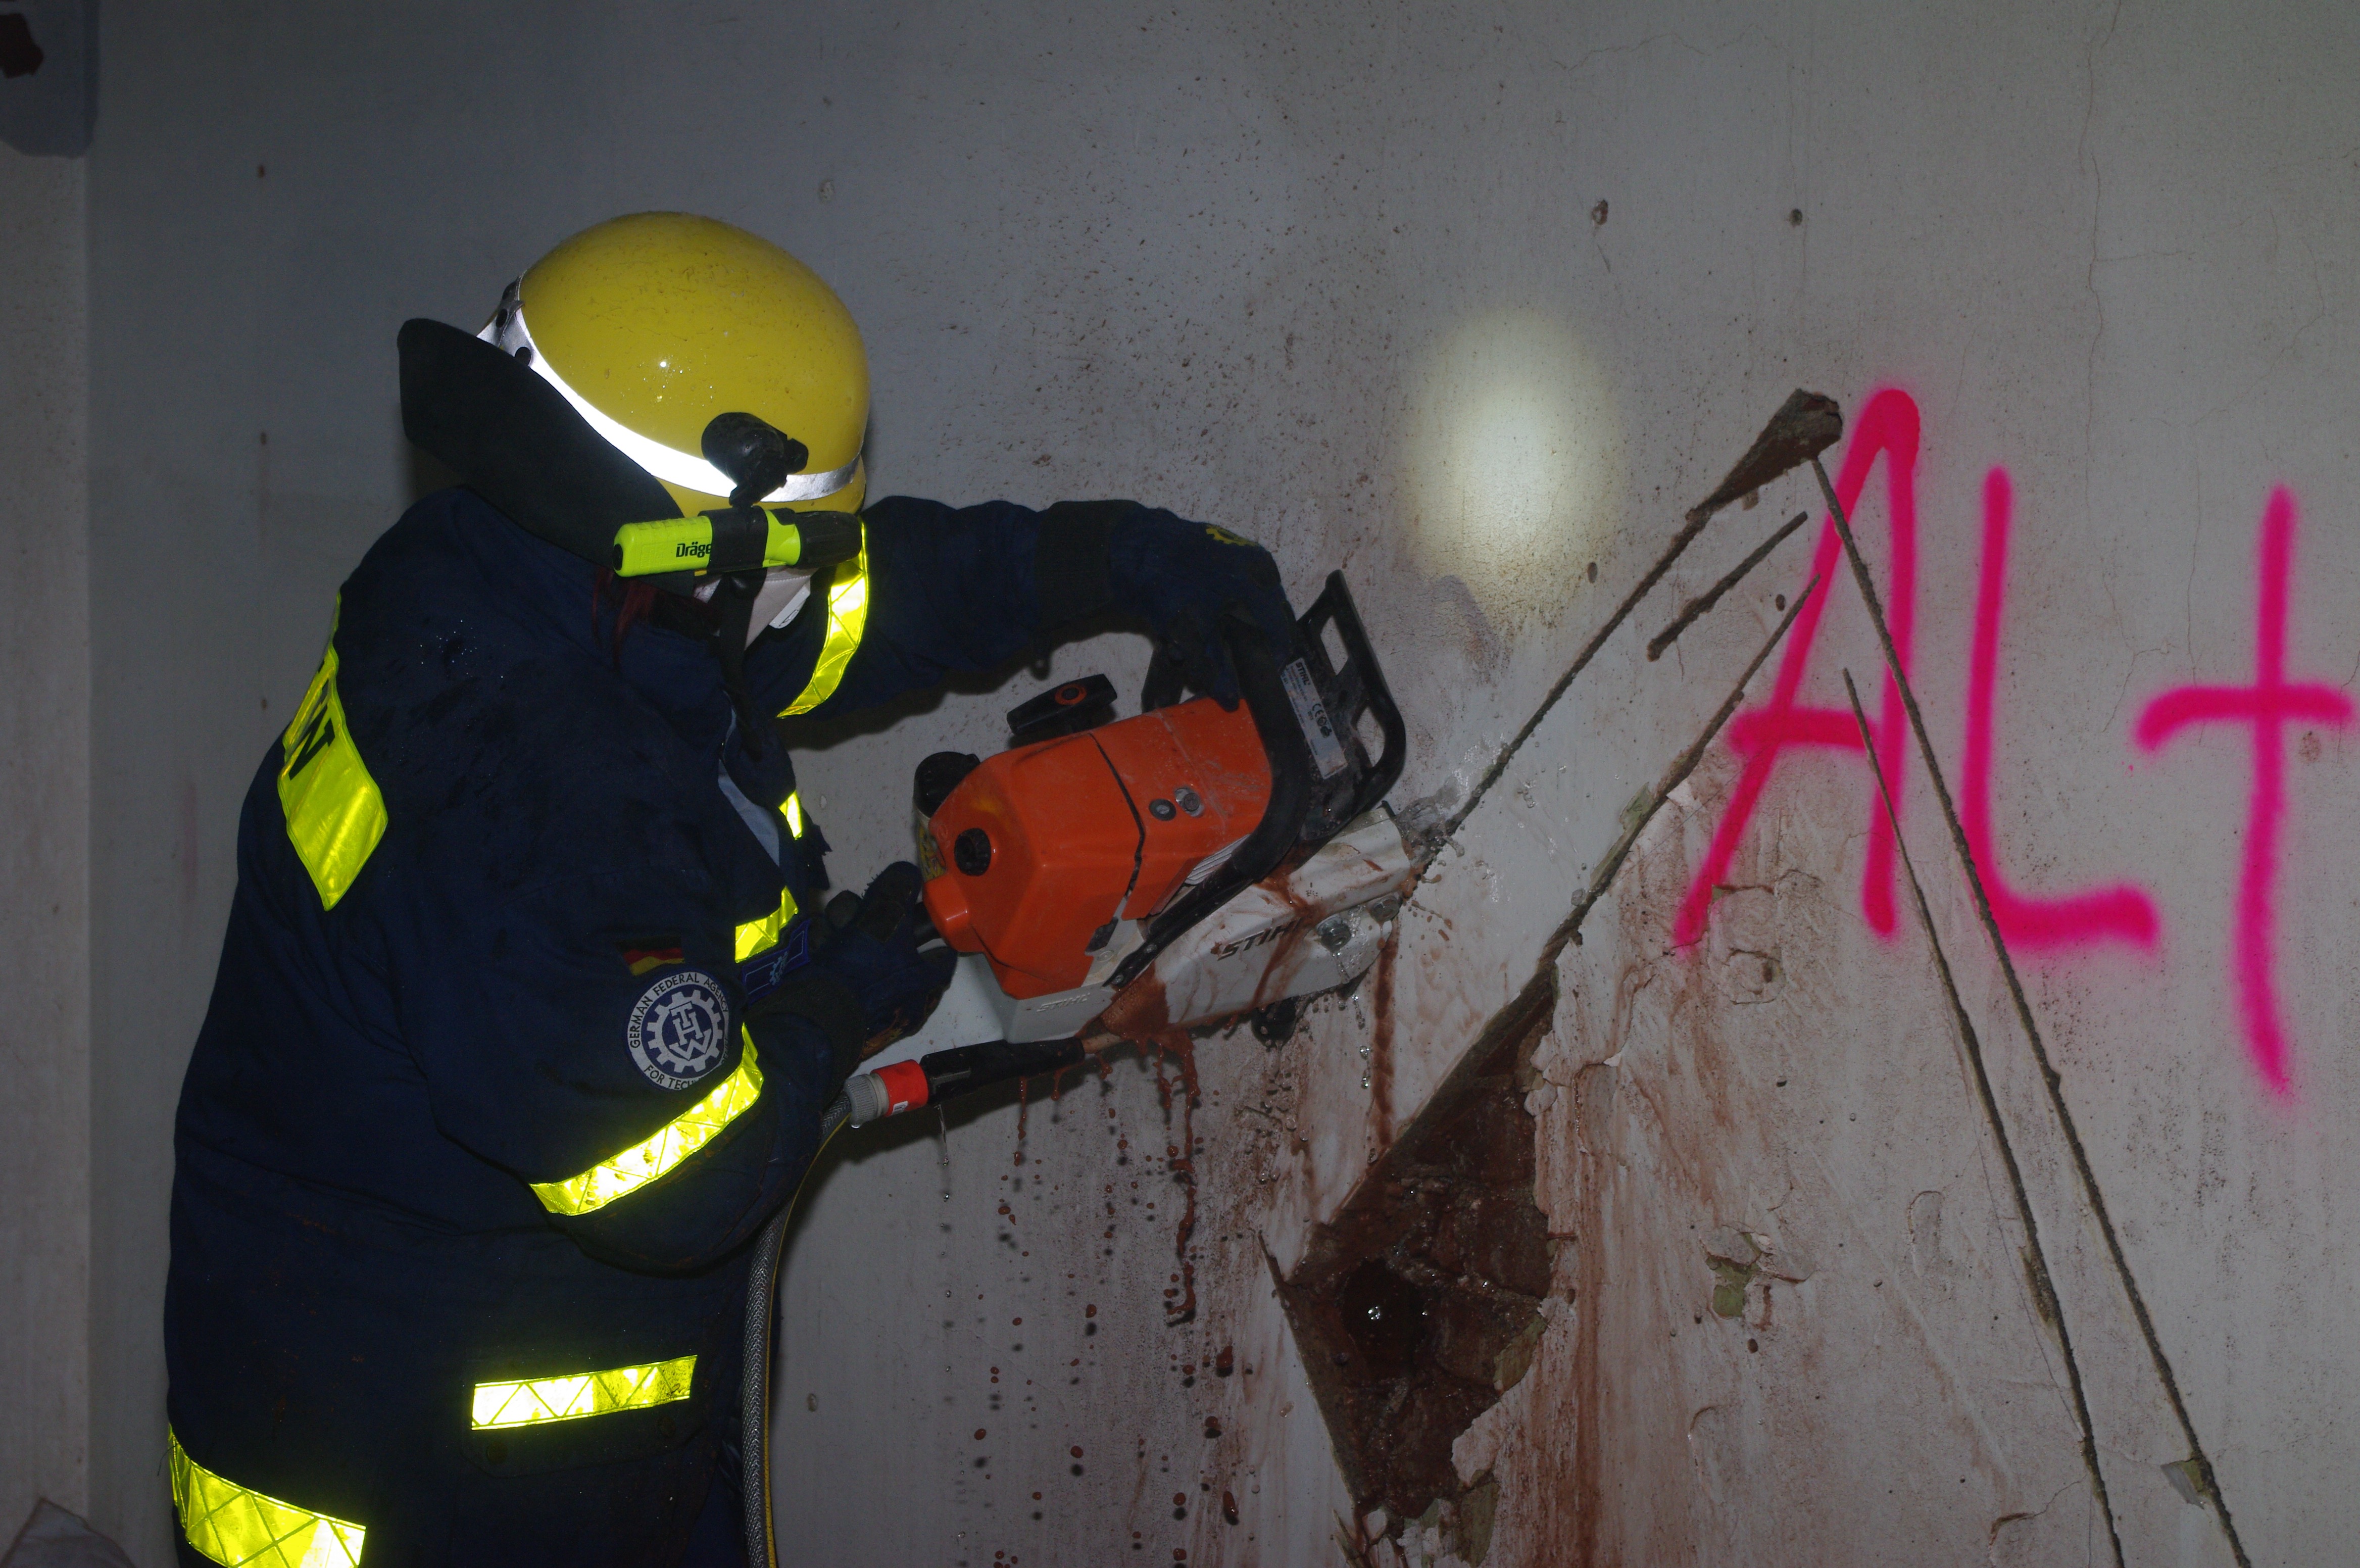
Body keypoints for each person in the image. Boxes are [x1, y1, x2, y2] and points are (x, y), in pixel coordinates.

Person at [163, 212, 1297, 1568]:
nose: (813, 584)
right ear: (696, 551)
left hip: (519, 1405)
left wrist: (1135, 559)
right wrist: (841, 1004)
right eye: (792, 553)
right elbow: (676, 1185)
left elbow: (873, 600)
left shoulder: (517, 569)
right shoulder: (539, 776)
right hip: (423, 1484)